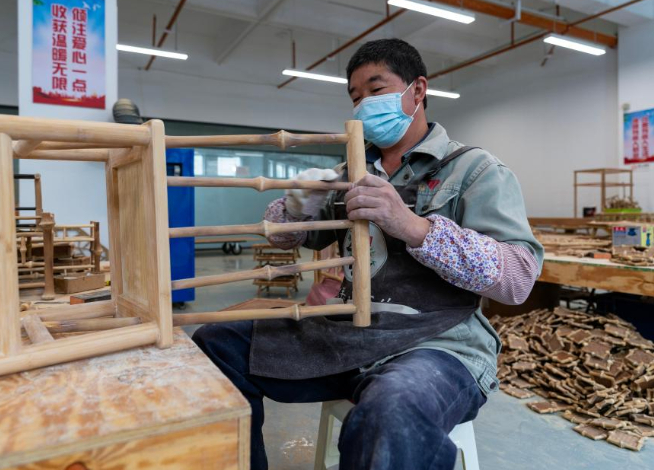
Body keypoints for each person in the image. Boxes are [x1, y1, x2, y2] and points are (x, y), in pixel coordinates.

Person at [193, 38, 543, 470]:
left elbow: (518, 279)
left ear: (417, 90)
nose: (363, 106)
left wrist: (413, 227)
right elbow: (284, 240)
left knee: (392, 411)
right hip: (348, 335)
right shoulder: (350, 174)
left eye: (376, 91)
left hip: (436, 345)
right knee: (215, 344)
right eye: (355, 97)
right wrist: (295, 208)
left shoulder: (475, 170)